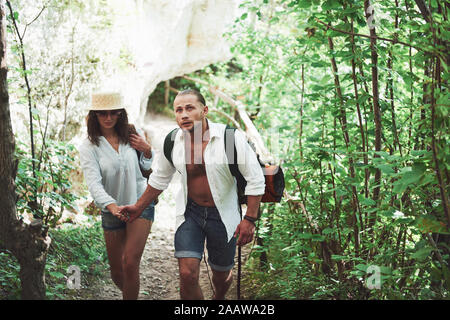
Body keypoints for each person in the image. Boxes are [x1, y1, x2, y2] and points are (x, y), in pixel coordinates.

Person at [119, 89, 265, 300]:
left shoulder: (230, 139)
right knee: (187, 274)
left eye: (190, 108)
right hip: (190, 213)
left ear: (204, 110)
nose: (184, 115)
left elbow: (255, 178)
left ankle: (219, 297)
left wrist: (249, 219)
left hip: (224, 214)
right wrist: (138, 207)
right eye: (179, 110)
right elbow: (160, 178)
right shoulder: (172, 141)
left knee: (221, 275)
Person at [78, 92, 155, 300]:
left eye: (114, 113)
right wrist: (112, 207)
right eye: (103, 113)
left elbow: (146, 166)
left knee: (130, 263)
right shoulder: (89, 147)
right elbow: (94, 183)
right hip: (112, 210)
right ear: (94, 116)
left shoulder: (131, 133)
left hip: (140, 202)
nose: (108, 118)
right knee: (117, 272)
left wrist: (147, 150)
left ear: (121, 114)